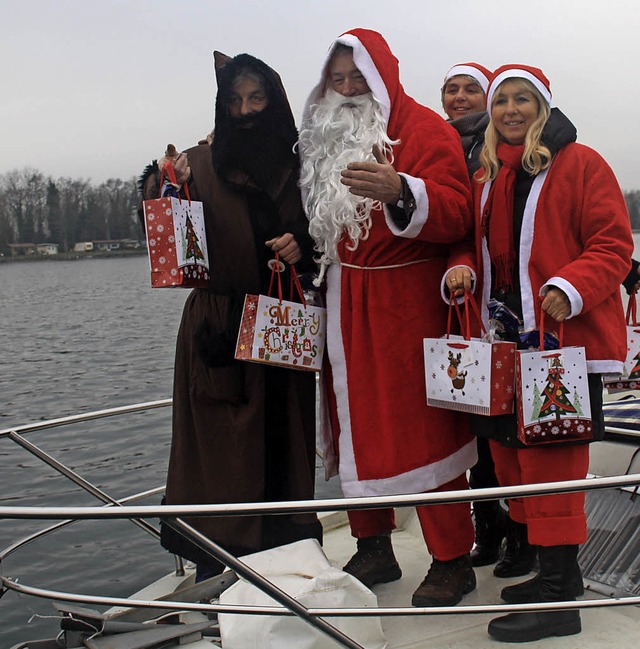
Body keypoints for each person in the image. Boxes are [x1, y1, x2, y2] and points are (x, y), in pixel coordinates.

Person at [446, 64, 633, 642]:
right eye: (501, 100)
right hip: (504, 344)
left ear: (543, 108)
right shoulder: (486, 172)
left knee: (551, 469)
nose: (509, 109)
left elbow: (614, 245)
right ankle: (559, 572)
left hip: (563, 346)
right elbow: (480, 248)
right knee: (513, 463)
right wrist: (461, 270)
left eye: (522, 99)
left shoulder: (582, 164)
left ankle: (557, 602)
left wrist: (567, 288)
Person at [298, 28, 477, 607]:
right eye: (338, 80)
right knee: (356, 428)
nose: (348, 91)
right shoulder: (320, 138)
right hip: (344, 303)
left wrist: (404, 190)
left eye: (359, 79)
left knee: (423, 432)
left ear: (383, 78)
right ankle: (373, 546)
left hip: (406, 304)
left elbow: (458, 214)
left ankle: (452, 560)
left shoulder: (425, 130)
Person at [139, 51, 322, 582]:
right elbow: (168, 240)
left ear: (275, 100)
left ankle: (287, 562)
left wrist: (302, 245)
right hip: (218, 324)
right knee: (219, 455)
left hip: (280, 320)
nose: (244, 110)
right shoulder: (197, 162)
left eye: (256, 98)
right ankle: (214, 568)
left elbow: (323, 234)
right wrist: (161, 182)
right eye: (234, 100)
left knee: (285, 446)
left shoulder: (299, 163)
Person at [442, 62, 523, 573]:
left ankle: (521, 536)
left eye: (473, 88)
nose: (460, 97)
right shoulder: (433, 144)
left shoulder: (505, 151)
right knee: (474, 428)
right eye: (451, 88)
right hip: (457, 304)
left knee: (506, 427)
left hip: (504, 307)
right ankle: (487, 529)